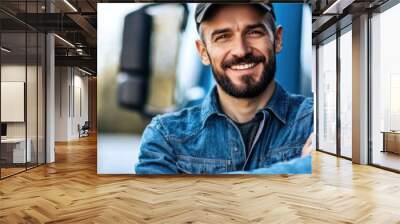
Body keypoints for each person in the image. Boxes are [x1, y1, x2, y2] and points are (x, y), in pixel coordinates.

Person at [135, 3, 313, 174]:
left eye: (253, 32)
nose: (241, 51)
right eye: (223, 37)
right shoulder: (166, 136)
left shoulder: (316, 121)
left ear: (278, 39)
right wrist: (301, 169)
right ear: (203, 52)